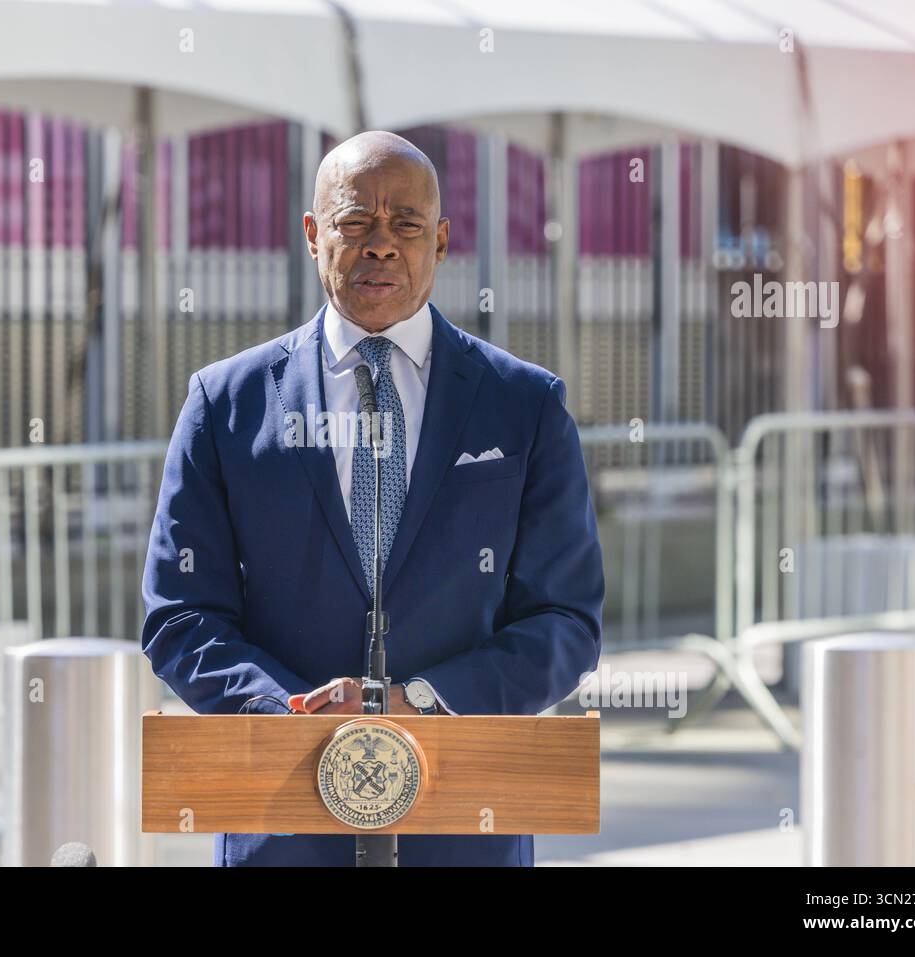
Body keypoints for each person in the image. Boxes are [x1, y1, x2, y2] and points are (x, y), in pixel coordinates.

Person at [141, 130, 605, 866]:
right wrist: (297, 711)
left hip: (466, 831)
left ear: (443, 241)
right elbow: (180, 615)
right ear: (313, 233)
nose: (380, 245)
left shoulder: (525, 405)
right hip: (281, 830)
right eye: (355, 222)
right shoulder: (223, 404)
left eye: (407, 225)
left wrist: (418, 702)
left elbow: (566, 618)